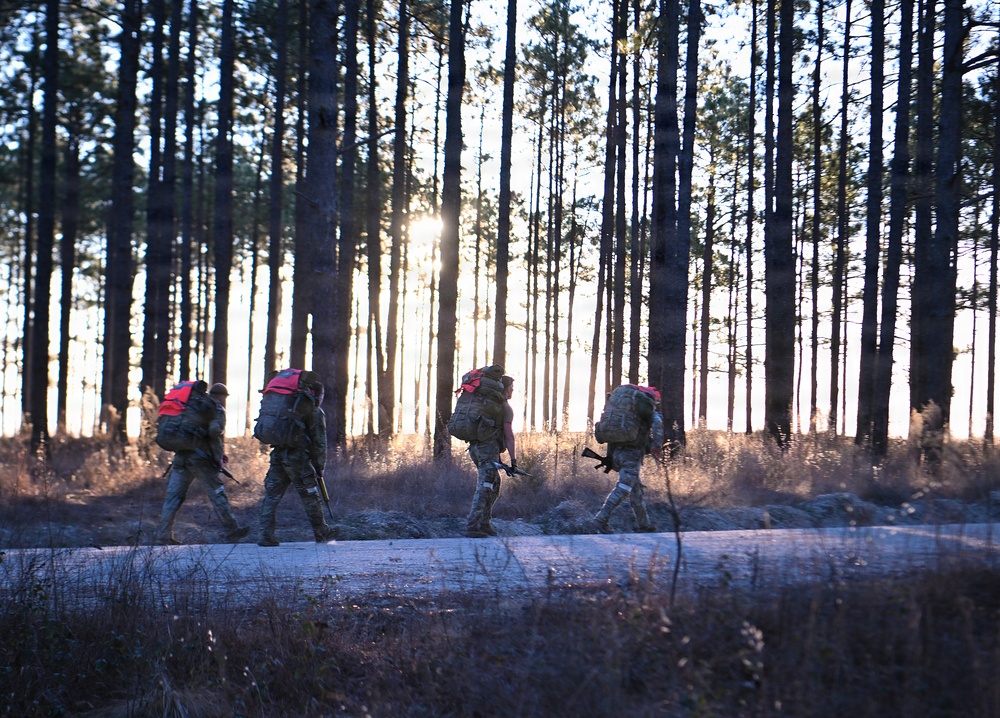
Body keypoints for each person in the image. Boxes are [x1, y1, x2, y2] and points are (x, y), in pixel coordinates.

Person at [155, 382, 249, 545]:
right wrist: (215, 451)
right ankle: (232, 530)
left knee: (173, 497)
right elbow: (214, 432)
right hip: (201, 460)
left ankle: (163, 535)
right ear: (222, 397)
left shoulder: (192, 406)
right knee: (217, 493)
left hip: (181, 457)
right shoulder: (216, 408)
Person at [257, 379, 338, 546]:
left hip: (278, 455)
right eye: (322, 395)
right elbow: (319, 442)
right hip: (298, 460)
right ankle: (321, 532)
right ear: (318, 394)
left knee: (271, 496)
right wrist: (320, 466)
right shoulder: (315, 411)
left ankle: (265, 535)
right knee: (310, 495)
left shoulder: (287, 408)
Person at [594, 385, 664, 534]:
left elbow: (613, 438)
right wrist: (657, 445)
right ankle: (601, 519)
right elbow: (657, 422)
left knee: (635, 488)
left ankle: (644, 525)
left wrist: (611, 457)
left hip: (619, 451)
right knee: (624, 488)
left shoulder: (623, 415)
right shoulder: (647, 412)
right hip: (632, 453)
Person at [466, 374, 517, 538]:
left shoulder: (489, 404)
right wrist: (513, 460)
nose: (513, 391)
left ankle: (485, 523)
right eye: (511, 388)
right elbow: (509, 436)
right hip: (487, 450)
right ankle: (473, 526)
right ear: (505, 389)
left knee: (494, 484)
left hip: (477, 449)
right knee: (485, 485)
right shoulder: (504, 408)